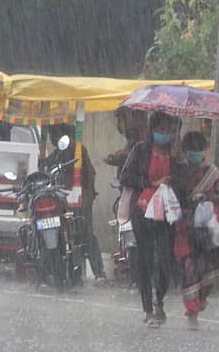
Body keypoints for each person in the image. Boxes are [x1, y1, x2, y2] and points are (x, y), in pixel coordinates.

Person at [120, 111, 188, 327]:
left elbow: (184, 185)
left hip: (166, 214)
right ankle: (148, 308)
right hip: (143, 210)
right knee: (145, 259)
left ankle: (160, 301)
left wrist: (178, 167)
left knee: (166, 260)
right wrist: (151, 182)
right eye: (161, 130)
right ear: (153, 130)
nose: (165, 134)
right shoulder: (141, 150)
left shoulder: (176, 155)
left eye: (169, 130)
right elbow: (126, 176)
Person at [173, 131, 219, 330]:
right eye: (192, 150)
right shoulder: (178, 173)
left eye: (199, 150)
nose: (196, 154)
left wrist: (207, 198)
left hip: (207, 226)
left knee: (208, 267)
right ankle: (191, 310)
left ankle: (201, 300)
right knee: (189, 267)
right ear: (185, 152)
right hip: (184, 227)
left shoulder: (213, 174)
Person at [41, 123, 106, 282]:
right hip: (62, 198)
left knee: (85, 234)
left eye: (54, 134)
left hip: (80, 198)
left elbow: (82, 174)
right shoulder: (59, 152)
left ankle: (98, 272)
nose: (52, 138)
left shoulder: (75, 150)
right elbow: (49, 164)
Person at [103, 107, 148, 178]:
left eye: (120, 120)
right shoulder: (132, 138)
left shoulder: (141, 138)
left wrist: (124, 157)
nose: (118, 124)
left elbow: (138, 161)